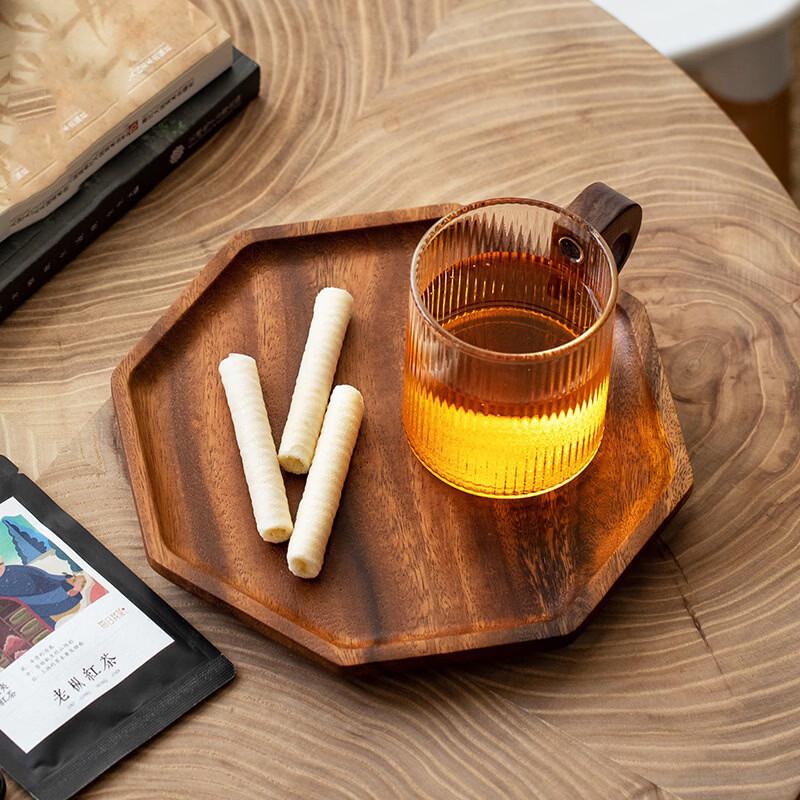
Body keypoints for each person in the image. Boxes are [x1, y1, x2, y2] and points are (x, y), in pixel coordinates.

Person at [0, 555, 85, 629]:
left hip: (49, 593)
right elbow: (22, 601)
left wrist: (66, 579)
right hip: (36, 608)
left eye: (0, 564)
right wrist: (65, 592)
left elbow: (45, 576)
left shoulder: (14, 569)